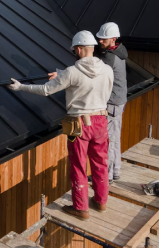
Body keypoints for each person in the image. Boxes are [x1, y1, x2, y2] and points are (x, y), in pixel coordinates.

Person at [8, 31, 113, 220]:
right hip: (101, 122)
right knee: (100, 163)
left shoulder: (72, 73)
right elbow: (92, 82)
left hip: (80, 124)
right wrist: (63, 74)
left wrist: (21, 87)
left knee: (79, 166)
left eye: (75, 50)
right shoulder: (107, 69)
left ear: (79, 49)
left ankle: (81, 208)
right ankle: (101, 201)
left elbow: (46, 90)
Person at [96, 22, 127, 184]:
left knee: (109, 140)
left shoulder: (109, 57)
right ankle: (115, 172)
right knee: (115, 138)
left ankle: (106, 177)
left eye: (103, 38)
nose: (100, 41)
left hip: (113, 103)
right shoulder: (119, 52)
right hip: (118, 101)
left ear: (113, 39)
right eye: (99, 38)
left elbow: (93, 71)